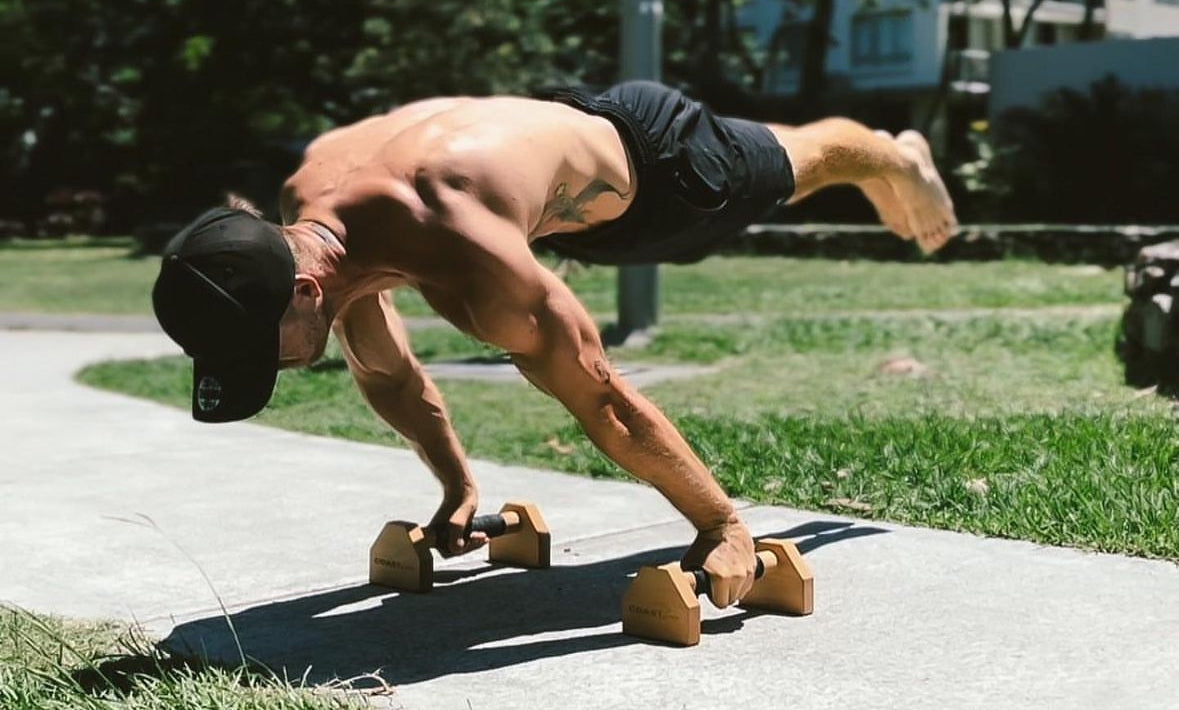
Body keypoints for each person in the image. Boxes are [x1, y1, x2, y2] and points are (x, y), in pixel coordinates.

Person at [152, 81, 957, 608]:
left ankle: (894, 154)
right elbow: (388, 372)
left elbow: (600, 396)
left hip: (659, 170)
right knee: (771, 154)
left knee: (797, 161)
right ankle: (875, 155)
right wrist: (456, 489)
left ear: (303, 293)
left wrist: (722, 527)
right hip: (544, 157)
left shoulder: (459, 249)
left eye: (266, 349)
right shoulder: (310, 228)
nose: (280, 366)